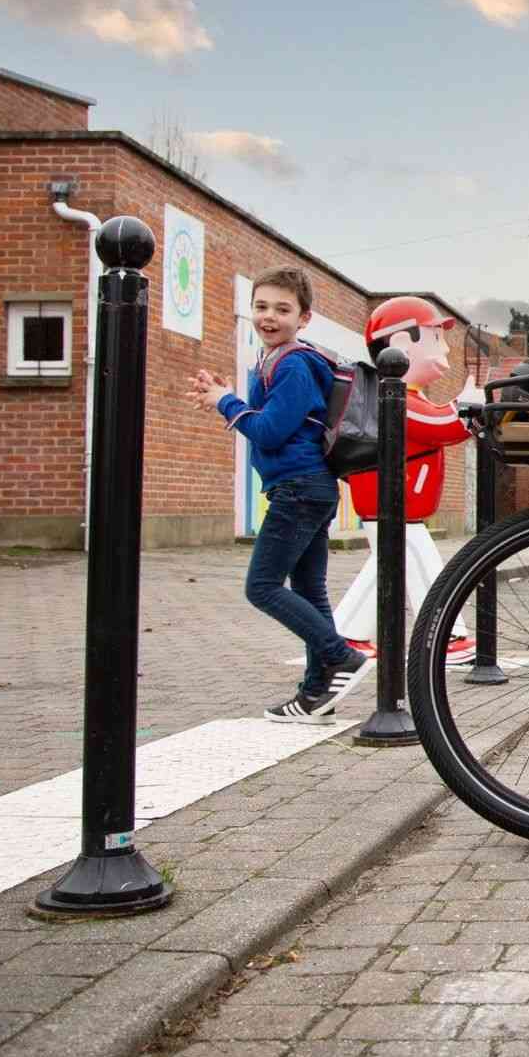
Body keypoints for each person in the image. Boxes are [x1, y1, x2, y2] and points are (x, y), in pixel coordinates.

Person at [184, 268, 366, 722]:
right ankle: (315, 692)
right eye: (261, 307)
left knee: (262, 587)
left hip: (299, 489)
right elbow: (263, 418)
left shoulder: (294, 364)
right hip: (309, 488)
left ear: (304, 318)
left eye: (282, 309)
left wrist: (226, 402)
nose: (269, 317)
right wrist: (225, 394)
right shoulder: (274, 361)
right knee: (309, 590)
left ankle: (341, 656)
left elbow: (268, 431)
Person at [333, 296, 477, 661]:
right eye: (434, 339)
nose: (444, 348)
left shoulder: (411, 396)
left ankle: (345, 634)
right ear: (399, 345)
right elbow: (439, 425)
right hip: (392, 505)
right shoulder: (395, 396)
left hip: (398, 505)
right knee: (423, 565)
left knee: (387, 568)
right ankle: (448, 634)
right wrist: (468, 409)